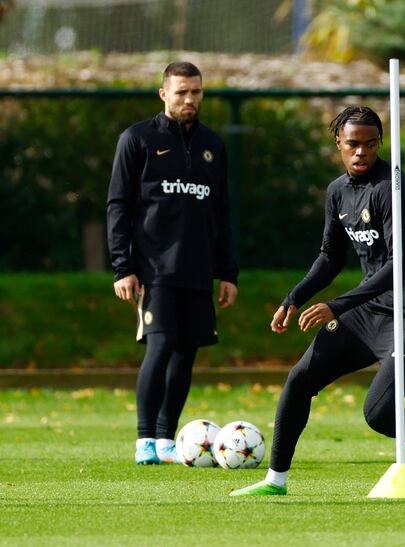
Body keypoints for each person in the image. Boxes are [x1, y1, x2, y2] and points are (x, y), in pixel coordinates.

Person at [229, 107, 405, 497]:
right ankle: (274, 481)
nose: (361, 152)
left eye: (370, 144)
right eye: (353, 144)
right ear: (339, 144)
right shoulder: (337, 191)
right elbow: (331, 257)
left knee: (378, 413)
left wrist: (338, 305)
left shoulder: (392, 188)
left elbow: (402, 263)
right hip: (372, 306)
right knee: (300, 380)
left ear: (380, 144)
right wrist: (295, 297)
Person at [107, 61, 239, 465]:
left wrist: (227, 272)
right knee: (161, 345)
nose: (189, 100)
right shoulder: (138, 139)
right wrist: (122, 266)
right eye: (181, 92)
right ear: (164, 93)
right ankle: (144, 439)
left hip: (197, 268)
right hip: (153, 269)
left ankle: (167, 439)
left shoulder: (213, 145)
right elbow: (118, 205)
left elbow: (221, 212)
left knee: (187, 352)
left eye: (196, 92)